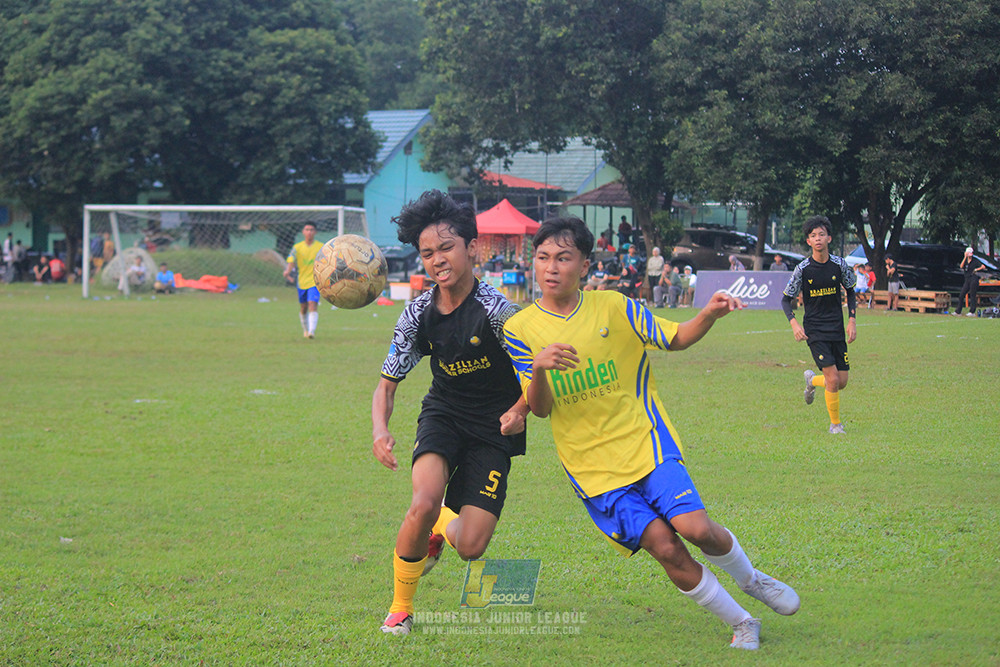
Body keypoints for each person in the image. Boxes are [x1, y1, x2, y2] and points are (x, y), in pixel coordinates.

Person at [503, 216, 799, 651]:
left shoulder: (613, 306)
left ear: (584, 265)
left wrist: (708, 313)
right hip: (591, 467)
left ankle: (752, 579)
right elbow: (542, 409)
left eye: (563, 258)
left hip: (646, 441)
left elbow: (674, 338)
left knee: (695, 528)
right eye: (543, 257)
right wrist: (541, 369)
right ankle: (742, 622)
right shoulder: (519, 328)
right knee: (665, 547)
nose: (551, 267)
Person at [372, 190, 528, 637]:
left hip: (494, 428)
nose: (437, 260)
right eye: (427, 253)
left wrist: (520, 410)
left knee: (472, 547)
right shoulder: (418, 314)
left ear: (471, 248)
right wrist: (380, 430)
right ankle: (400, 608)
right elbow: (387, 385)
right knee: (422, 502)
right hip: (443, 415)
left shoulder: (500, 313)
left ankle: (443, 522)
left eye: (446, 247)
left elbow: (535, 376)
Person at [781, 216, 857, 435]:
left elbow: (851, 290)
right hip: (815, 330)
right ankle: (835, 425)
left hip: (836, 328)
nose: (817, 239)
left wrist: (852, 320)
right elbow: (785, 300)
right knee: (832, 379)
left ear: (829, 238)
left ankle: (812, 380)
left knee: (841, 381)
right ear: (808, 241)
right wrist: (794, 324)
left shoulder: (839, 264)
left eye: (821, 234)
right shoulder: (803, 269)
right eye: (813, 236)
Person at [283, 223, 322, 338]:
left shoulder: (321, 247)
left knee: (312, 304)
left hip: (315, 281)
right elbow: (291, 260)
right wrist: (287, 271)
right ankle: (305, 330)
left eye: (311, 230)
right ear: (303, 232)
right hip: (302, 282)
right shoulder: (297, 247)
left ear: (315, 232)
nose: (309, 232)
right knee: (303, 307)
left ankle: (311, 332)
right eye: (307, 229)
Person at [954, 247, 986, 316]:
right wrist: (965, 257)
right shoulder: (965, 260)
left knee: (972, 295)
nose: (970, 255)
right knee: (961, 294)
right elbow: (961, 266)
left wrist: (976, 269)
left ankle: (972, 311)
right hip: (967, 279)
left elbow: (983, 266)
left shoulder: (975, 260)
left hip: (973, 278)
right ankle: (958, 311)